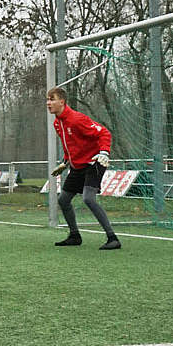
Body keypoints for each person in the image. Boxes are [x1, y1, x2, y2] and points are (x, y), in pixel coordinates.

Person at [46, 87, 120, 250]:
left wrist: (104, 152)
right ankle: (75, 236)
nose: (48, 103)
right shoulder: (57, 123)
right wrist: (65, 163)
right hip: (77, 165)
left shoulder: (77, 119)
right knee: (63, 200)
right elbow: (70, 145)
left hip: (94, 162)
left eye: (51, 99)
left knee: (88, 198)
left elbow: (104, 133)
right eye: (47, 99)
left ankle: (113, 238)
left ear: (62, 102)